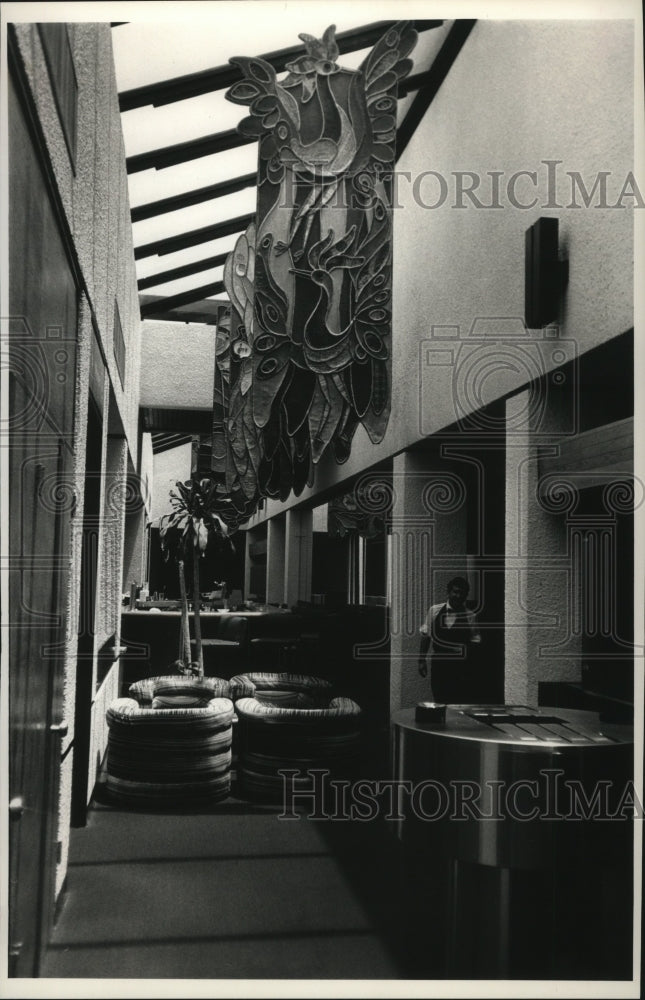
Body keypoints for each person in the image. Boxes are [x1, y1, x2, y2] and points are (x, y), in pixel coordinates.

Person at [418, 577, 482, 704]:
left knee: (457, 703)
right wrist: (421, 660)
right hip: (439, 665)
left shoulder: (470, 616)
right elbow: (426, 635)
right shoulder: (434, 610)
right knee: (439, 700)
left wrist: (464, 649)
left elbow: (476, 642)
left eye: (462, 593)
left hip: (461, 668)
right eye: (456, 592)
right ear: (448, 592)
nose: (458, 596)